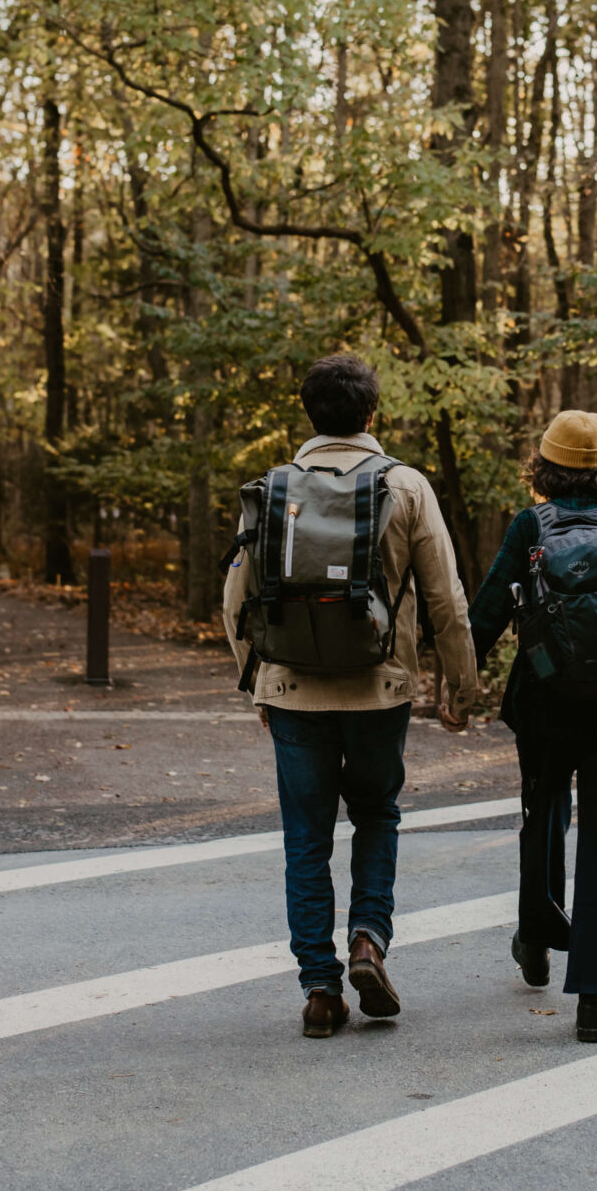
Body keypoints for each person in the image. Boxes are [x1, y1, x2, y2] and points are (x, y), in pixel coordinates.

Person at [224, 352, 481, 1039]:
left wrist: (256, 678)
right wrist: (464, 683)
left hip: (293, 692)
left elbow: (235, 597)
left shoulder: (275, 487)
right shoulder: (406, 485)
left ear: (311, 414)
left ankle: (319, 989)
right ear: (372, 415)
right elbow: (446, 599)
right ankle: (368, 937)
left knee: (305, 839)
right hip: (380, 690)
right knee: (376, 814)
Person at [468, 411, 597, 1042]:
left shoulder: (529, 527)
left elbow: (490, 608)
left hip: (544, 706)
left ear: (544, 468)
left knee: (544, 817)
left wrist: (458, 681)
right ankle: (593, 1000)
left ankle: (536, 935)